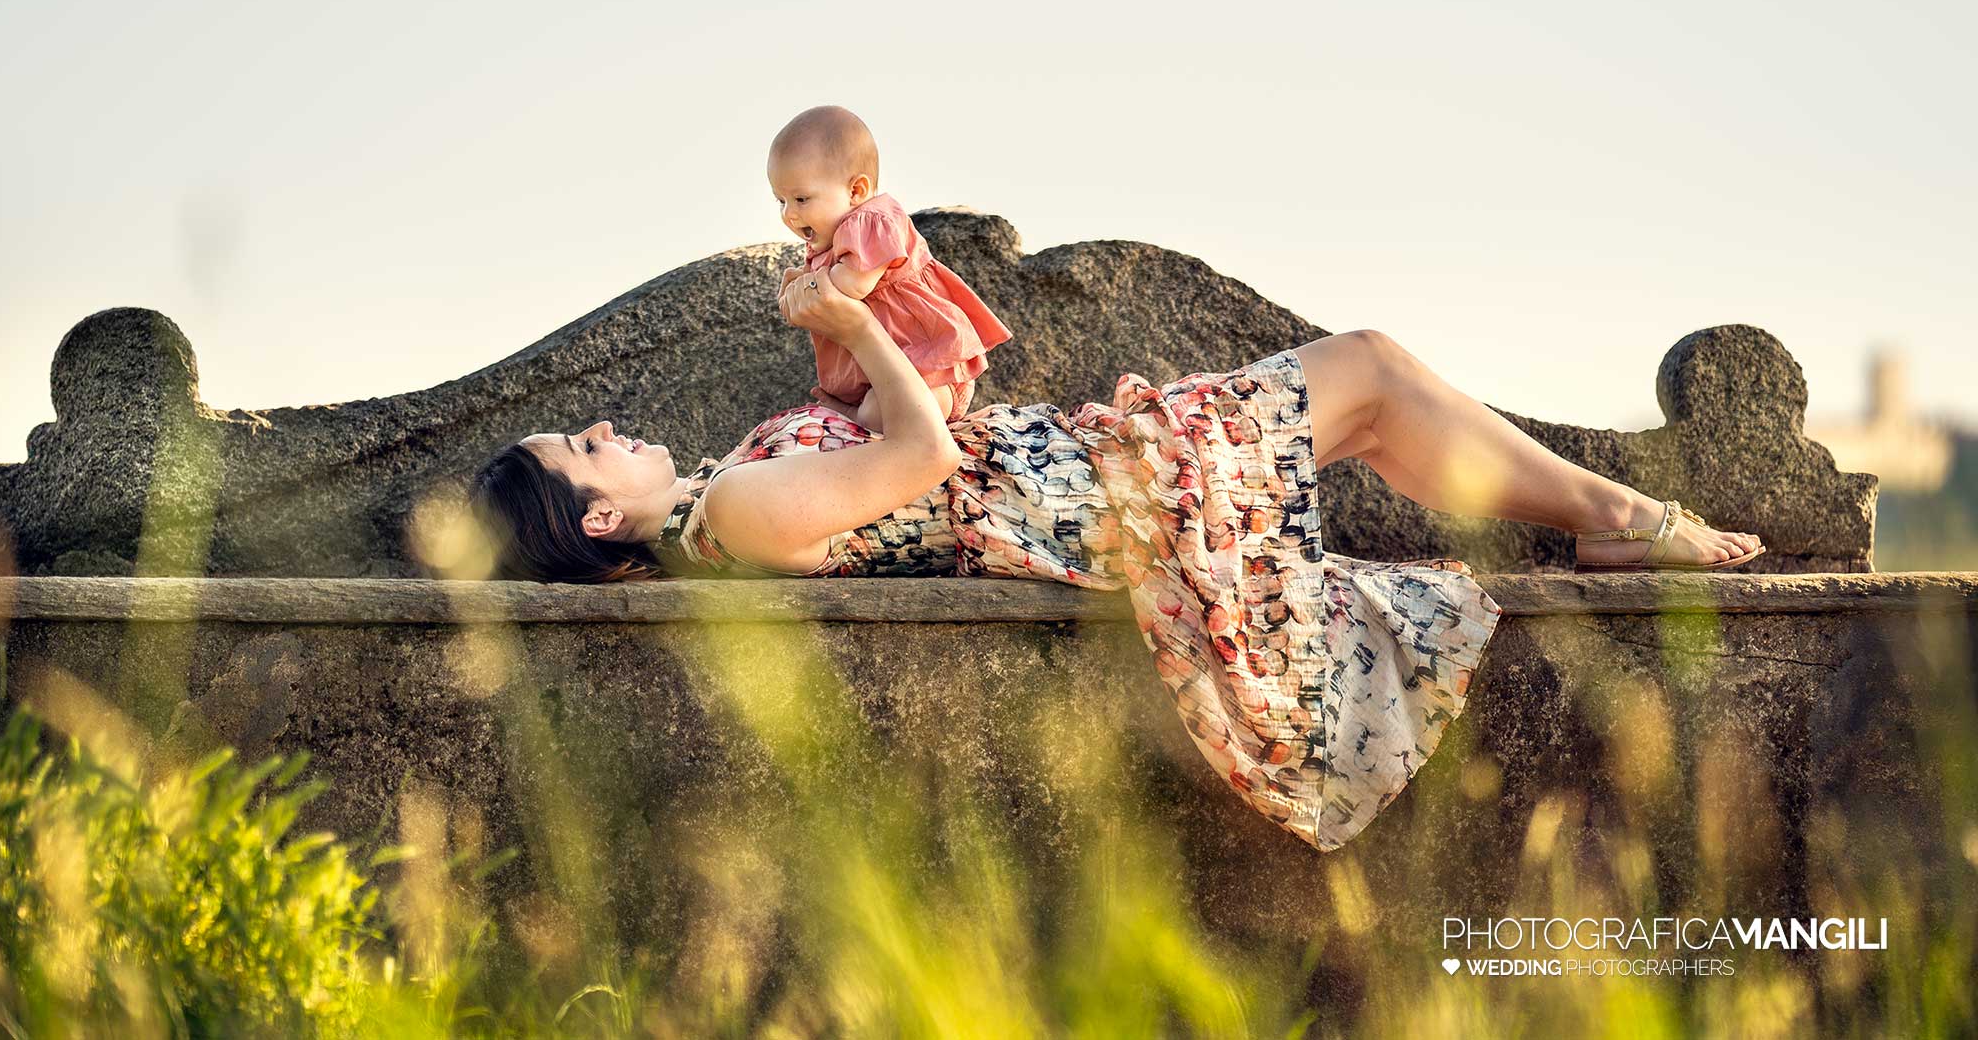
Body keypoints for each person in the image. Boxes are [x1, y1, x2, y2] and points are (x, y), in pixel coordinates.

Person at [467, 275, 1762, 849]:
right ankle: (1624, 515)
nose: (613, 428)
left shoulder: (725, 490)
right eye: (588, 444)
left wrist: (854, 357)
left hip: (1087, 475)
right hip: (1102, 498)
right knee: (1364, 371)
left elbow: (892, 448)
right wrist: (859, 328)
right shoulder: (728, 516)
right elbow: (919, 465)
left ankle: (1611, 513)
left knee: (1366, 392)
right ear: (595, 522)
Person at [766, 105, 1010, 430]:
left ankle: (857, 418)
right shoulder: (833, 239)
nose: (788, 215)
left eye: (801, 199)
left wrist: (810, 288)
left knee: (875, 417)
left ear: (856, 191)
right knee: (875, 409)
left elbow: (853, 286)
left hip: (929, 368)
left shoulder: (872, 220)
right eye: (780, 201)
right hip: (888, 372)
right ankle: (859, 413)